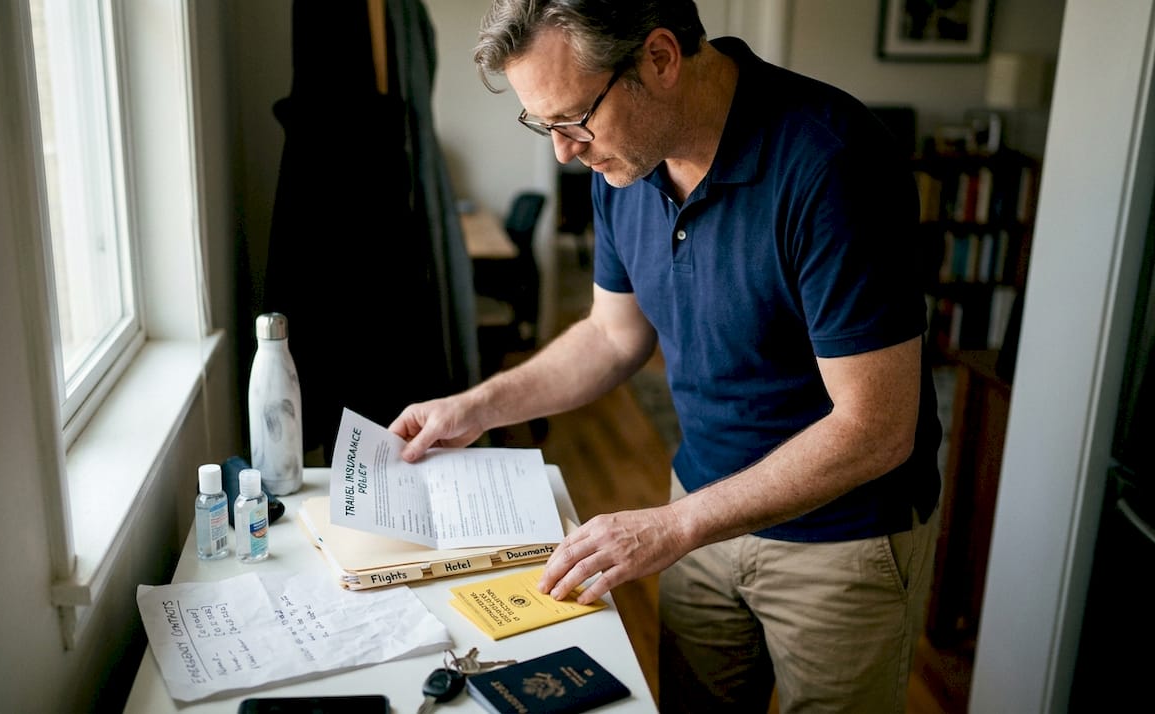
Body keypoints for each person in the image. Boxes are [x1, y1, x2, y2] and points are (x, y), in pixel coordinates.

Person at [389, 1, 942, 711]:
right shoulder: (623, 161)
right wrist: (477, 405)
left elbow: (876, 427)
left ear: (659, 59)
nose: (563, 149)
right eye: (544, 124)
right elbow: (612, 335)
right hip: (701, 506)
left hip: (841, 544)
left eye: (572, 119)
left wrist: (671, 526)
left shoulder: (832, 163)